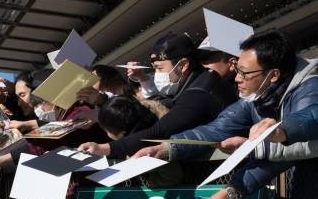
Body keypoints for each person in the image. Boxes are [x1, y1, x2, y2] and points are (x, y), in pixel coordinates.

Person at [132, 31, 317, 199]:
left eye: (244, 72)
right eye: (237, 69)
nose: (237, 78)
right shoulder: (256, 96)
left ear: (273, 75)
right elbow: (216, 128)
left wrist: (279, 132)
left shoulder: (309, 88)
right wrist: (167, 148)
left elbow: (306, 125)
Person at [78, 32, 238, 160]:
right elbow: (144, 108)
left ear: (183, 65)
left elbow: (159, 131)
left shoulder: (199, 92)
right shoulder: (193, 82)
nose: (157, 75)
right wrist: (102, 100)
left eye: (160, 68)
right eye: (154, 69)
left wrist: (105, 148)